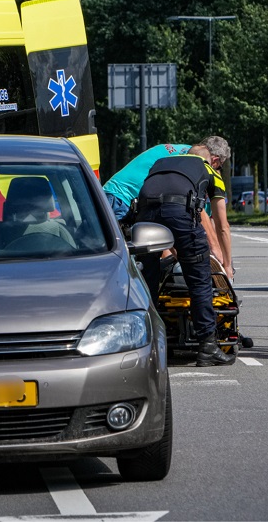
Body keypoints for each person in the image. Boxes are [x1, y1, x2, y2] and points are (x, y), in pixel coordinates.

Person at [136, 144, 235, 366]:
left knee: (146, 280)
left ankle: (147, 346)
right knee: (199, 280)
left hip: (145, 214)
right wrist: (224, 261)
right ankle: (207, 347)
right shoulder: (208, 169)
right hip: (179, 212)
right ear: (211, 160)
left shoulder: (160, 163)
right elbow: (220, 222)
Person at [104, 137, 234, 278]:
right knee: (127, 262)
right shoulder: (195, 163)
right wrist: (219, 259)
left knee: (159, 254)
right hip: (123, 200)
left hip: (119, 197)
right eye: (220, 167)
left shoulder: (187, 152)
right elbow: (199, 212)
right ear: (214, 161)